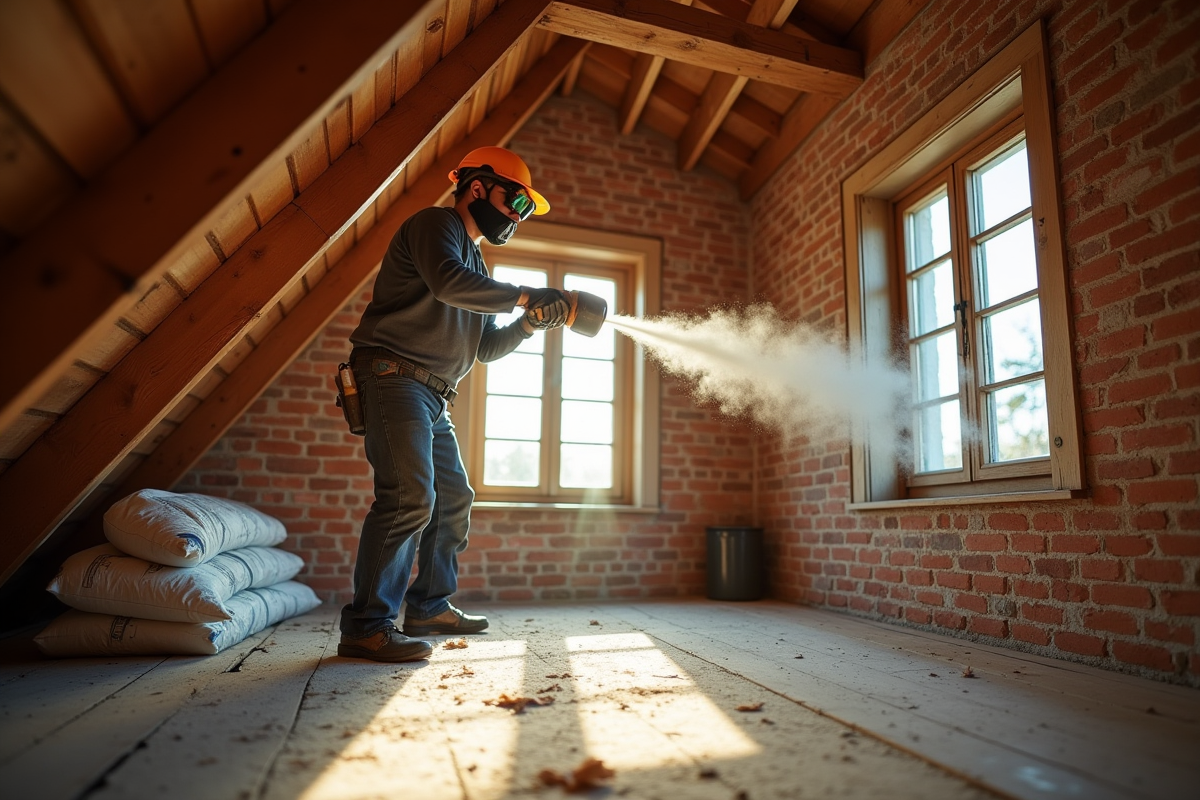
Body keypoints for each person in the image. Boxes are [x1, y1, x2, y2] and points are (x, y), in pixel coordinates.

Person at [337, 146, 569, 663]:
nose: (517, 216)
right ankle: (366, 627)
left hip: (432, 394)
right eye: (518, 202)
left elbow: (484, 347)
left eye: (527, 211)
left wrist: (530, 324)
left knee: (453, 498)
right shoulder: (435, 226)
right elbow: (447, 283)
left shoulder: (479, 263)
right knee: (409, 497)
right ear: (479, 186)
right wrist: (527, 295)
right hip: (392, 376)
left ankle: (428, 606)